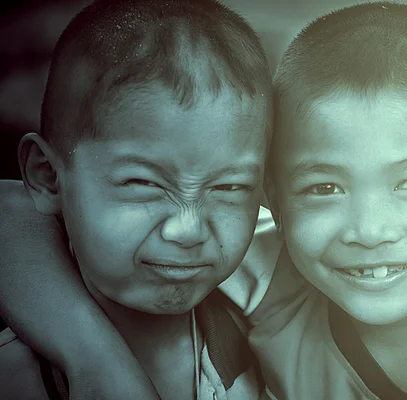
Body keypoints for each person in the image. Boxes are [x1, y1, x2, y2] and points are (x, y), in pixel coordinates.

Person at [1, 2, 407, 399]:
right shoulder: (263, 273)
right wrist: (98, 365)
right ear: (279, 202)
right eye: (324, 188)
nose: (368, 230)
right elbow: (12, 214)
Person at [0, 0, 273, 399]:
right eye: (143, 183)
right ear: (48, 177)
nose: (188, 230)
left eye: (229, 187)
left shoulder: (273, 295)